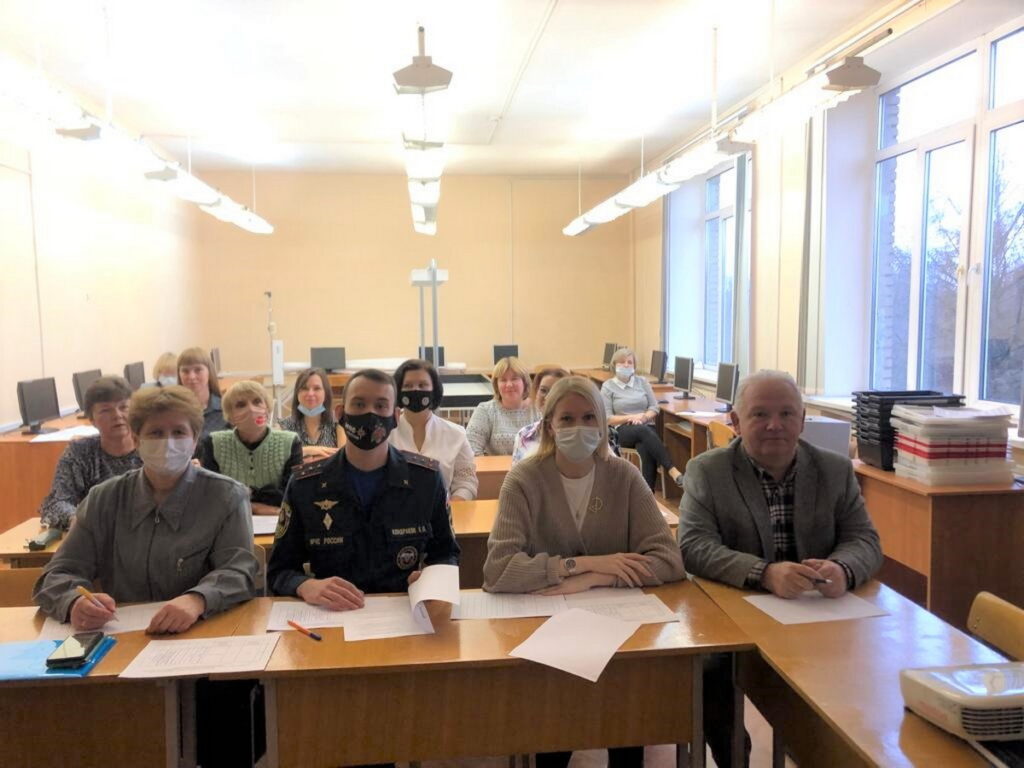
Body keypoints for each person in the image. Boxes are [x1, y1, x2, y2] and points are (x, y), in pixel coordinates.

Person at [678, 369, 883, 768]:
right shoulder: (708, 471)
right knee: (709, 672)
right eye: (760, 414)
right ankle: (734, 757)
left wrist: (843, 568)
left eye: (787, 413)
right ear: (735, 422)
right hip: (735, 613)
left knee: (862, 670)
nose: (775, 425)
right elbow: (693, 547)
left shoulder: (834, 470)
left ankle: (820, 750)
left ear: (802, 420)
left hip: (818, 615)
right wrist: (765, 573)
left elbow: (865, 540)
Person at [483, 376, 683, 768]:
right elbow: (498, 570)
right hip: (549, 635)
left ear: (604, 424)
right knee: (555, 734)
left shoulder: (623, 476)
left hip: (619, 633)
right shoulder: (524, 479)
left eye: (589, 417)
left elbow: (669, 560)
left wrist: (599, 577)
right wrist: (582, 565)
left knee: (626, 726)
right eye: (567, 419)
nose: (579, 427)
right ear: (549, 426)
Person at [33, 385, 258, 634]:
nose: (167, 442)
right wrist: (74, 602)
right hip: (124, 636)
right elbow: (58, 574)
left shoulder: (226, 496)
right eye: (156, 433)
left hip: (202, 632)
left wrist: (197, 600)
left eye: (178, 432)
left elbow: (239, 571)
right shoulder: (103, 499)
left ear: (194, 440)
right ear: (136, 439)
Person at [267, 368, 460, 609]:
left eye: (381, 406)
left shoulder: (426, 480)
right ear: (340, 414)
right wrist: (305, 585)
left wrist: (431, 580)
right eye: (359, 404)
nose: (370, 414)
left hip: (403, 611)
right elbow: (279, 571)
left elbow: (446, 554)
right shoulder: (305, 485)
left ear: (395, 417)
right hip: (332, 614)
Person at [37, 376, 142, 530]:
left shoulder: (151, 448)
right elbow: (56, 502)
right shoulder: (80, 453)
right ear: (92, 419)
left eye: (124, 407)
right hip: (98, 534)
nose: (117, 415)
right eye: (106, 410)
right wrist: (79, 520)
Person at [198, 381, 302, 516]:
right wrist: (255, 508)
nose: (251, 409)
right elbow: (213, 496)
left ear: (267, 409)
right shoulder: (214, 443)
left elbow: (293, 494)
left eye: (257, 402)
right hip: (230, 522)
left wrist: (242, 496)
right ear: (230, 416)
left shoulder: (290, 442)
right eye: (241, 405)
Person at [389, 358, 478, 500]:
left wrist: (454, 506)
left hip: (443, 511)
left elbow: (466, 482)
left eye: (422, 385)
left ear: (434, 390)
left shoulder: (456, 434)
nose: (416, 390)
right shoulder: (385, 433)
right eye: (408, 385)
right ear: (398, 390)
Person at [601, 347, 682, 490]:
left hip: (646, 426)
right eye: (622, 362)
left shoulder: (642, 382)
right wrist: (632, 417)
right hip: (622, 430)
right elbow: (607, 419)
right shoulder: (608, 387)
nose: (626, 365)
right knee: (643, 432)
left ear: (634, 366)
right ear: (614, 365)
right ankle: (672, 469)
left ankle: (647, 494)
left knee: (645, 446)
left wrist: (643, 418)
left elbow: (654, 407)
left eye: (630, 362)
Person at [466, 356, 536, 456]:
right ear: (496, 385)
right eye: (503, 380)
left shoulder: (538, 410)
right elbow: (471, 448)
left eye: (514, 379)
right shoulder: (485, 410)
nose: (509, 384)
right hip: (495, 467)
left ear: (524, 382)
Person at [276, 367, 341, 461]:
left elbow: (344, 458)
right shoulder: (283, 427)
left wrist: (298, 455)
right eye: (305, 388)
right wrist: (309, 450)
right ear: (297, 393)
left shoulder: (339, 422)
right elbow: (279, 459)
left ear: (326, 393)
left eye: (317, 388)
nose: (310, 393)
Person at [511, 366, 568, 463]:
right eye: (543, 390)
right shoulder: (524, 435)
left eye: (555, 392)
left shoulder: (575, 435)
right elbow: (516, 471)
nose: (548, 397)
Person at [177, 346, 227, 436]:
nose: (192, 377)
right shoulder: (172, 411)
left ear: (209, 372)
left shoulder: (226, 409)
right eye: (185, 371)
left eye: (198, 370)